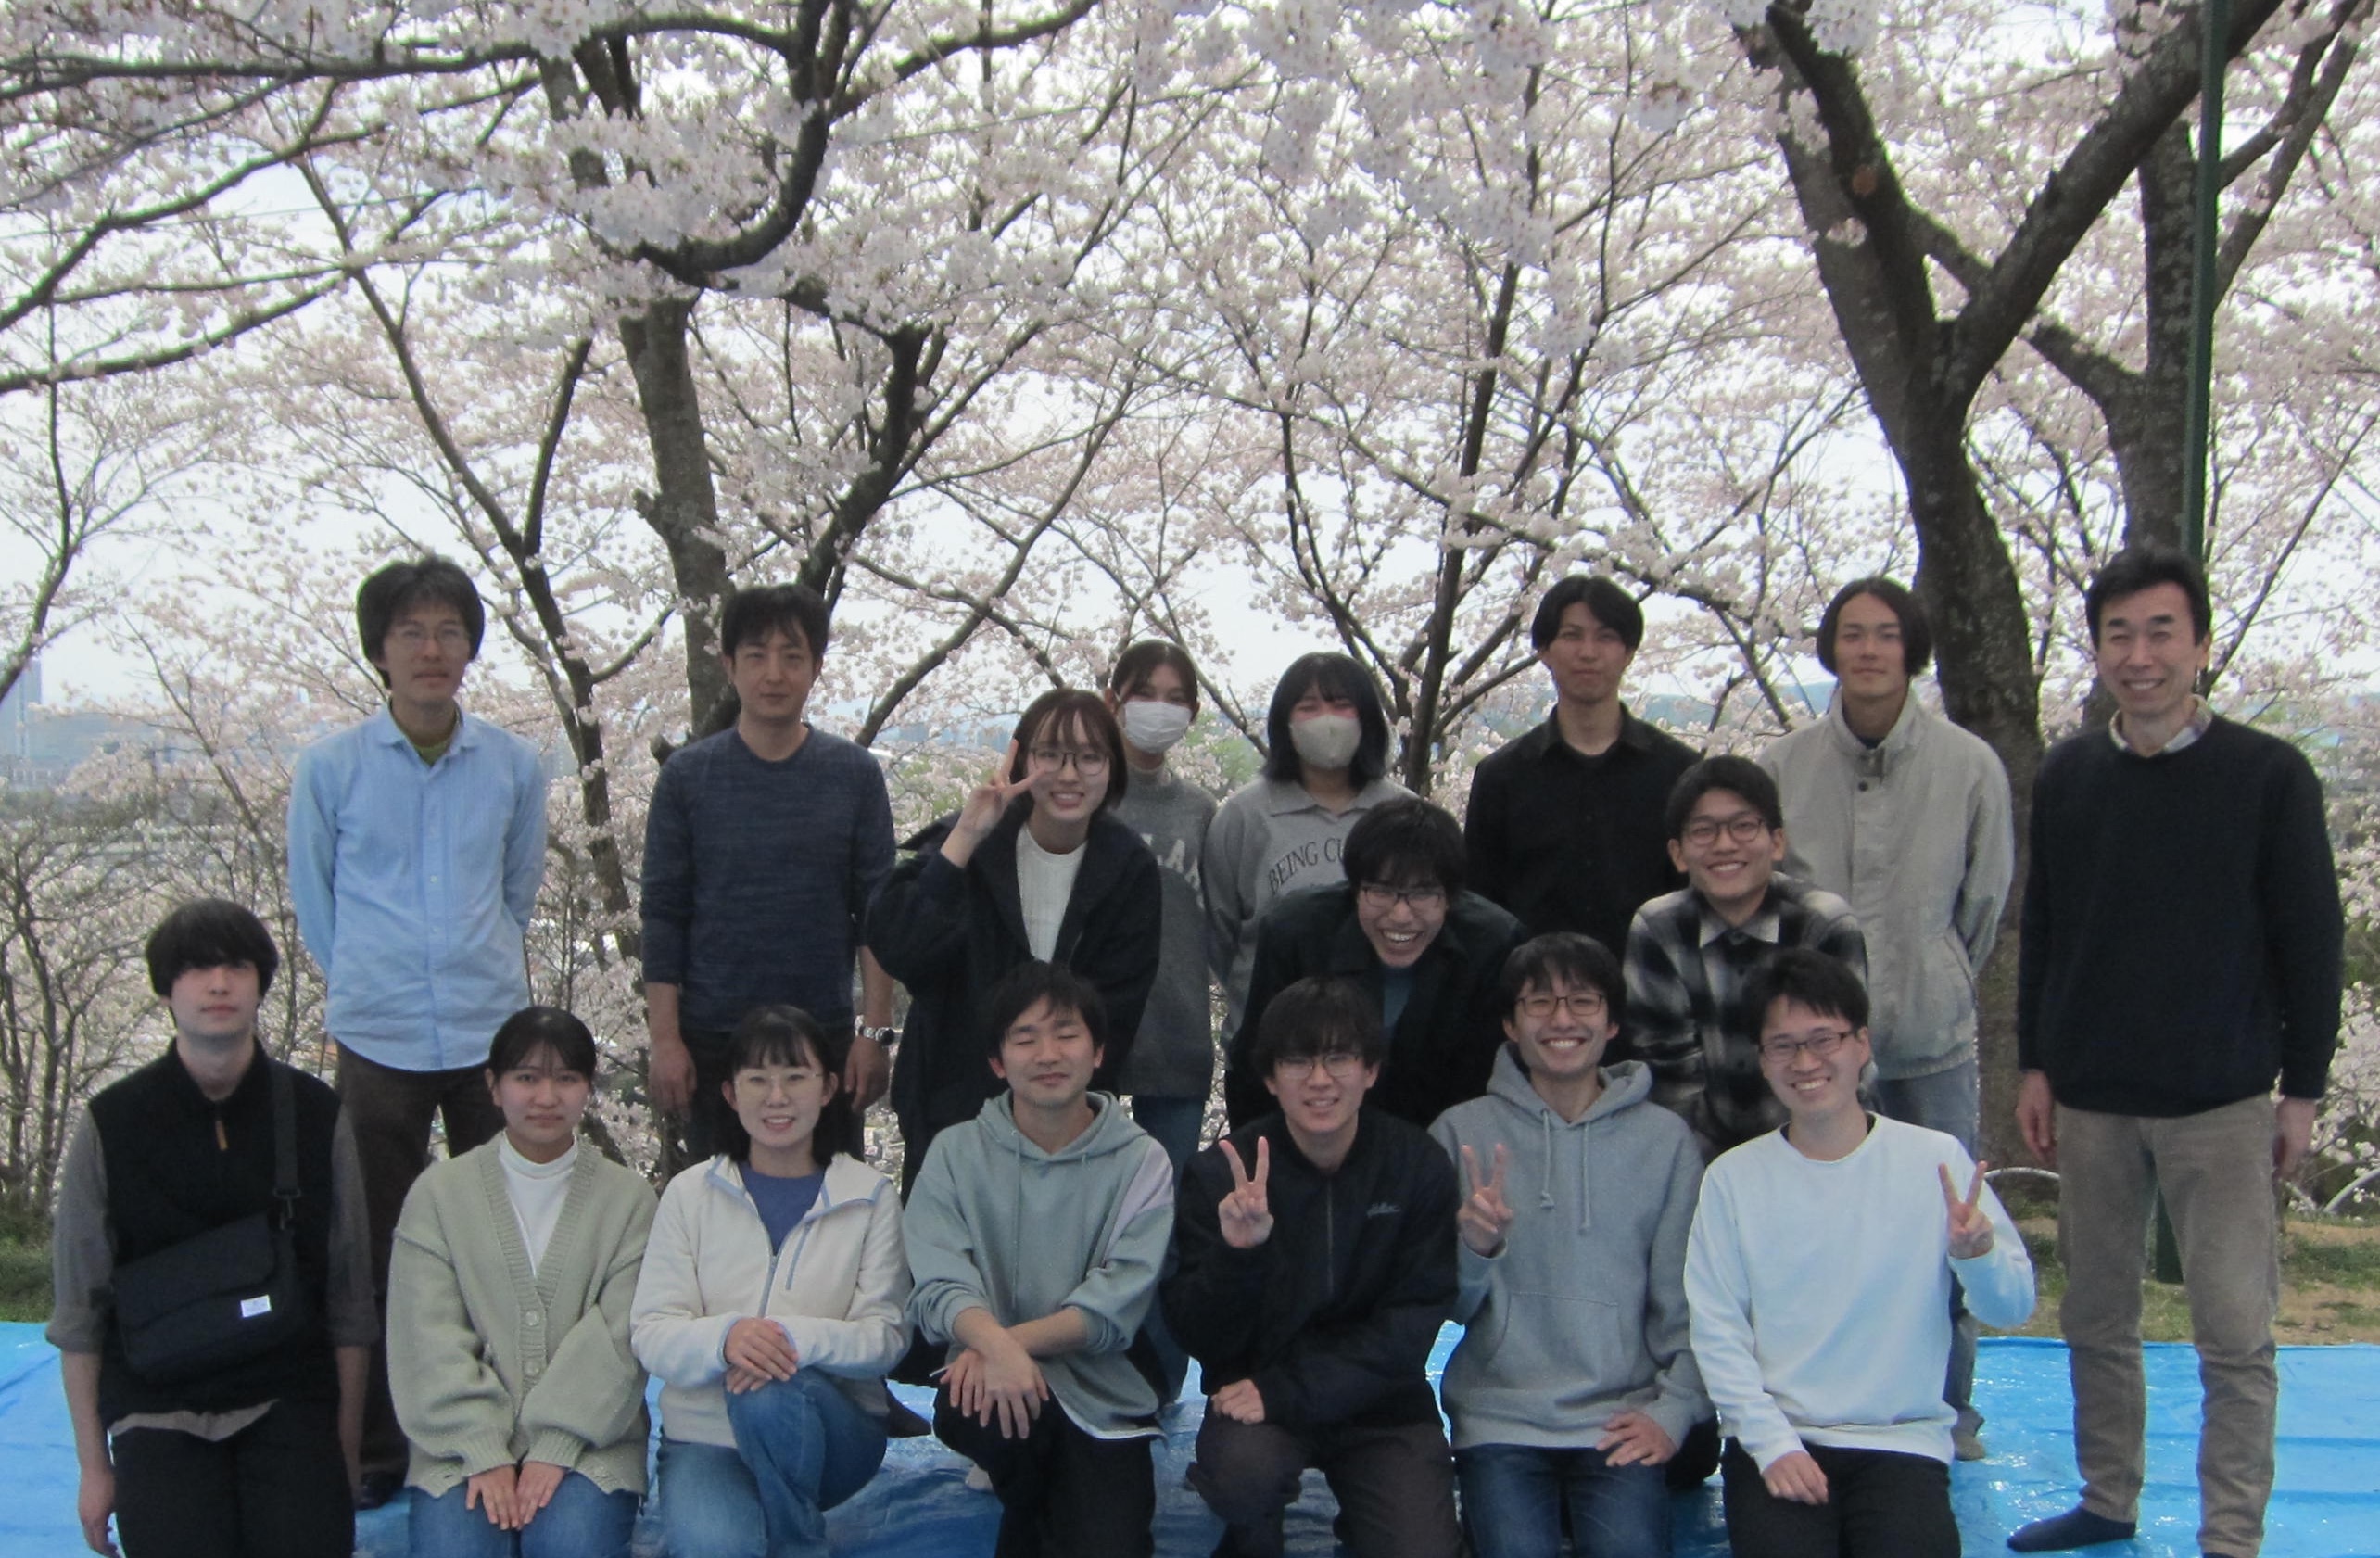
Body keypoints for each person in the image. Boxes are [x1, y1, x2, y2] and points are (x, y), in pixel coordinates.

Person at [2007, 545, 2343, 1558]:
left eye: (2161, 632)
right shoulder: (2070, 775)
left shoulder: (2268, 775)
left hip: (2221, 1096)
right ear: (2099, 649)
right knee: (2094, 1316)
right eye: (2120, 635)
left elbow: (2310, 938)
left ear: (2200, 645)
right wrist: (2037, 1062)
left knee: (2235, 1334)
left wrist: (2303, 1088)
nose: (2140, 655)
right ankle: (2107, 1497)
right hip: (2093, 1095)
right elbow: (2046, 928)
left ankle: (2229, 1534)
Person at [287, 553, 549, 1499]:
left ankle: (510, 1426)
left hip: (488, 1033)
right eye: (412, 633)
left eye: (449, 632)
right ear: (380, 651)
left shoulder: (513, 765)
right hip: (380, 1035)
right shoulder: (332, 767)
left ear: (470, 647)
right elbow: (316, 901)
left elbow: (517, 890)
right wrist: (370, 978)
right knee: (379, 1244)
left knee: (505, 1236)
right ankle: (384, 1445)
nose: (432, 650)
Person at [1759, 576, 2014, 1460]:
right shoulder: (1785, 766)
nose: (1868, 650)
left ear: (1913, 649)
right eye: (1853, 633)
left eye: (1887, 634)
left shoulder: (1969, 765)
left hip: (1928, 1036)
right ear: (1830, 648)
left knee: (1947, 1224)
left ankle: (1950, 1407)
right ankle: (1819, 1401)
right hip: (1813, 1049)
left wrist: (1935, 970)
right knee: (1818, 1226)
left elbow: (1983, 903)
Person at [49, 899, 375, 1558]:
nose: (219, 984)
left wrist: (343, 1454)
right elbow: (80, 1310)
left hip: (289, 1393)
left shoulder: (315, 1113)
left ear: (261, 983)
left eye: (236, 966)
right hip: (157, 1401)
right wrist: (94, 1468)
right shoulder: (112, 1122)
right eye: (197, 968)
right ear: (166, 989)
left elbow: (349, 1297)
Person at [1685, 949, 2034, 1558]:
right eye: (1783, 1045)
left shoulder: (1935, 1161)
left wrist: (1977, 1255)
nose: (1806, 1062)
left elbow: (2012, 1308)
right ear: (1763, 1060)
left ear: (1862, 1044)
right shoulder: (1733, 1178)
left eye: (1824, 1039)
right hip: (1780, 1437)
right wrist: (1772, 1444)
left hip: (1902, 1440)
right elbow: (1717, 1330)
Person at [1428, 932, 1705, 1558]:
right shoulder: (1461, 1132)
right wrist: (1476, 1248)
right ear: (1510, 1024)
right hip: (1499, 1419)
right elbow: (1443, 1305)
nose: (1561, 1020)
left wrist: (1674, 1411)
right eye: (1540, 1003)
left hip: (1620, 1417)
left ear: (1612, 1023)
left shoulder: (1665, 1141)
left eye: (1582, 1001)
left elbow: (1688, 1304)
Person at [1167, 976, 1462, 1558]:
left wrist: (1288, 1391)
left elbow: (1411, 1325)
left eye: (1339, 1058)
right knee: (1244, 1476)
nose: (1319, 1080)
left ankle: (1371, 1524)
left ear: (1370, 1070)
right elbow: (1197, 1334)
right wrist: (1238, 1255)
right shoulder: (1222, 1175)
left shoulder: (1416, 1165)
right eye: (1298, 1061)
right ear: (1270, 1077)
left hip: (1381, 1404)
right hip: (1255, 1398)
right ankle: (1251, 1534)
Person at [905, 962, 1175, 1558]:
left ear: (1098, 1052)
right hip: (987, 1384)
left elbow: (1115, 1303)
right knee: (982, 1414)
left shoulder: (1141, 1161)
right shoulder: (955, 1153)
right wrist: (994, 1351)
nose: (1048, 1054)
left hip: (1102, 1394)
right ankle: (1025, 1489)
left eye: (1066, 1034)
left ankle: (1033, 1509)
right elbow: (939, 1283)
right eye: (1025, 1038)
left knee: (1111, 1545)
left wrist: (1004, 1345)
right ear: (997, 1062)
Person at [632, 1006, 911, 1558]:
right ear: (730, 1094)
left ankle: (797, 1543)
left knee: (767, 1392)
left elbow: (886, 1336)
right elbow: (651, 1330)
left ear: (827, 1088)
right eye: (757, 1080)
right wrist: (727, 1338)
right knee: (715, 1549)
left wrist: (786, 1342)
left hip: (830, 1433)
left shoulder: (868, 1197)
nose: (776, 1097)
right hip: (706, 1440)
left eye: (795, 1078)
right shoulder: (690, 1194)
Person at [641, 582, 899, 1163]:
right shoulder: (687, 779)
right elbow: (663, 914)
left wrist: (875, 1033)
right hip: (714, 1038)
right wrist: (665, 1039)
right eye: (756, 655)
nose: (774, 674)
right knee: (716, 1199)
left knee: (832, 1199)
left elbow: (876, 913)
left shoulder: (854, 775)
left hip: (823, 1037)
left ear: (816, 668)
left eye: (792, 656)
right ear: (729, 665)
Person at [387, 1007, 656, 1557]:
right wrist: (482, 1448)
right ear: (494, 1086)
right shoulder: (438, 1195)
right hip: (457, 1448)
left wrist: (556, 1443)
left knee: (569, 1545)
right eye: (527, 1078)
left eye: (566, 1079)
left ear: (587, 1089)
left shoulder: (629, 1200)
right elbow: (426, 1335)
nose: (546, 1097)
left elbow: (618, 1336)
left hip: (591, 1443)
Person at [867, 688, 1160, 1183]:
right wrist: (965, 835)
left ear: (1113, 768)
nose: (1069, 775)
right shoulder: (975, 845)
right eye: (1051, 755)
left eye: (1090, 757)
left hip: (1066, 1122)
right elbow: (898, 946)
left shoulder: (1128, 867)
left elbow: (1118, 1007)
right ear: (1021, 759)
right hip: (952, 1110)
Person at [1226, 797, 1523, 1130]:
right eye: (1381, 892)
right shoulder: (1295, 933)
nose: (1400, 915)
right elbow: (1256, 1065)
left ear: (1451, 898)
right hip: (1309, 1137)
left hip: (1444, 1138)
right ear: (1355, 889)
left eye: (1422, 894)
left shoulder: (1493, 944)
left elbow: (1486, 1081)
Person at [1623, 755, 1867, 1159]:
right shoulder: (1659, 928)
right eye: (1703, 831)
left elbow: (1842, 1061)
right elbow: (1671, 1078)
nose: (1724, 845)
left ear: (1777, 842)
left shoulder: (1824, 923)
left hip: (1822, 1137)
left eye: (1743, 826)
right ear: (1678, 853)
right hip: (1704, 1149)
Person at [1464, 576, 1698, 953]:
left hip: (1650, 976)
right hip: (1534, 981)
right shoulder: (1502, 776)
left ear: (1628, 652)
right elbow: (1480, 902)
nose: (1588, 653)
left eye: (1606, 637)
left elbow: (1691, 890)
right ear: (1544, 650)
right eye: (1572, 636)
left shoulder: (1678, 771)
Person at [1202, 652, 1409, 1057]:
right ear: (1285, 722)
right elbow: (1220, 934)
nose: (1326, 720)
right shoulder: (1244, 816)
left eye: (1341, 705)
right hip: (1267, 1044)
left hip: (1381, 1049)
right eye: (1309, 707)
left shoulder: (1402, 814)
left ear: (1367, 717)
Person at [1103, 640, 1220, 1170]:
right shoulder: (1081, 799)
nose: (1159, 709)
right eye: (1145, 694)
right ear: (1113, 701)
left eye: (1175, 699)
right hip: (1088, 1043)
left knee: (1169, 1202)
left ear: (1192, 713)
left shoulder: (1201, 811)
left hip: (1178, 1038)